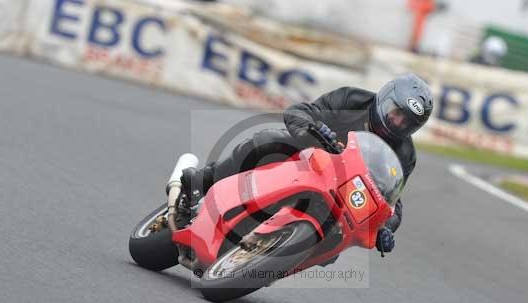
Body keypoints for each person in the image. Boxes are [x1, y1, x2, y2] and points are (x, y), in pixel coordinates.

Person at [181, 73, 433, 255]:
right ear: (384, 98)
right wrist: (314, 130)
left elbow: (392, 202)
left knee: (338, 241)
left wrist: (385, 228)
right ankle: (203, 181)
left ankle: (270, 263)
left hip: (340, 196)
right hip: (309, 159)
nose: (396, 122)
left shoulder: (406, 154)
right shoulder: (351, 99)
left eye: (406, 122)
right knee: (268, 140)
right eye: (396, 111)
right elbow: (300, 111)